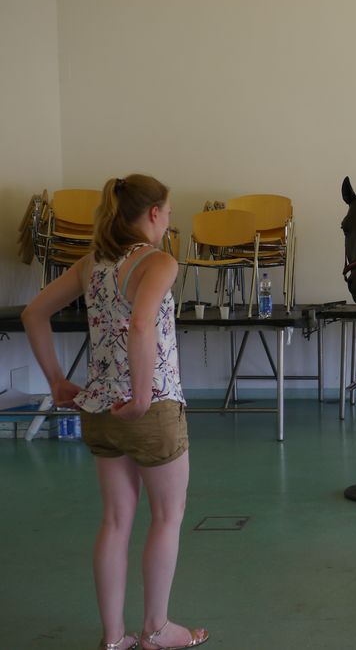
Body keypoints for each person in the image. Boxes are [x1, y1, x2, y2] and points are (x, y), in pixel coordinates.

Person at [22, 175, 209, 650]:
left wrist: (57, 381)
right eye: (167, 211)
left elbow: (34, 313)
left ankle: (112, 639)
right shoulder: (159, 262)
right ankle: (156, 630)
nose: (170, 218)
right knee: (167, 517)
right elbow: (142, 324)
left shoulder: (92, 264)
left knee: (115, 520)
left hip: (99, 409)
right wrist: (144, 397)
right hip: (152, 408)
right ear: (152, 214)